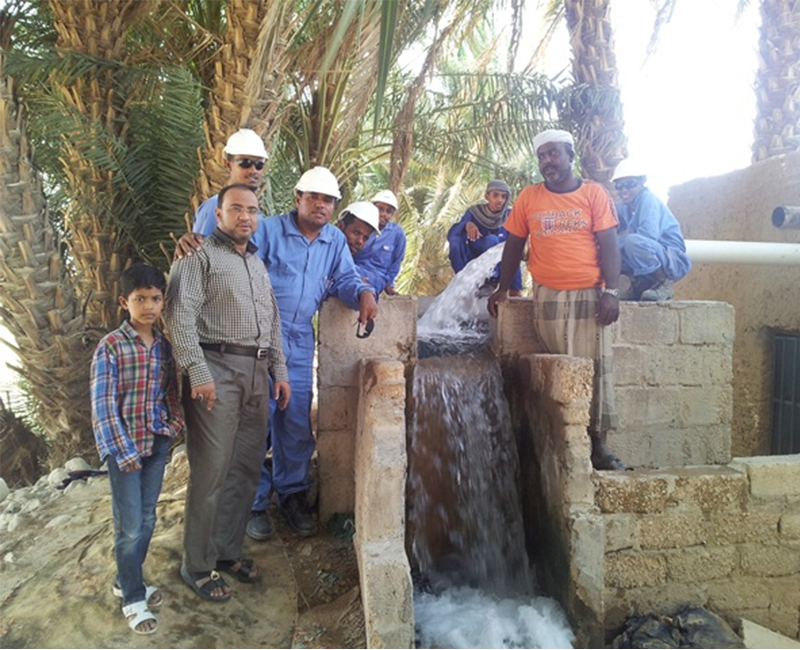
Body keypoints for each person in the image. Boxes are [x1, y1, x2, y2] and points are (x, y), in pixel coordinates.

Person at [177, 167, 378, 540]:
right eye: (314, 197)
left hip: (299, 339)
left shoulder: (334, 240)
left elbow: (346, 278)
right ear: (298, 198)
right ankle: (253, 503)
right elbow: (228, 252)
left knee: (295, 419)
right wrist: (194, 240)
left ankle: (292, 495)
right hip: (256, 337)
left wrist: (364, 294)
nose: (321, 205)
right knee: (257, 420)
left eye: (328, 200)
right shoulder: (267, 230)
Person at [165, 183, 291, 602]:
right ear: (217, 215)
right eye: (236, 209)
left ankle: (226, 552)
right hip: (215, 369)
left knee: (246, 467)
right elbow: (178, 315)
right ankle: (197, 565)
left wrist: (279, 371)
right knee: (212, 470)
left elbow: (272, 319)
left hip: (256, 373)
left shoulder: (256, 263)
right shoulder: (197, 255)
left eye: (252, 210)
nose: (245, 217)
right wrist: (198, 372)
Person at [487, 129, 626, 471]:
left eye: (553, 154)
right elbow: (514, 245)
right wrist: (503, 287)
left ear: (570, 156)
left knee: (595, 368)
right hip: (547, 294)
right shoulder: (529, 197)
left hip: (589, 295)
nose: (547, 161)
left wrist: (611, 292)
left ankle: (599, 445)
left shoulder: (593, 194)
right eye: (542, 156)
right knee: (558, 367)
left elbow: (610, 245)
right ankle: (564, 439)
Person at [90, 263, 184, 634]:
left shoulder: (164, 347)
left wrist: (173, 425)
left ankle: (125, 579)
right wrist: (122, 451)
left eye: (155, 298)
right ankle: (132, 597)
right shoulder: (111, 347)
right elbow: (102, 405)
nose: (148, 306)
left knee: (146, 519)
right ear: (123, 302)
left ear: (163, 302)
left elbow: (170, 392)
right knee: (129, 526)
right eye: (140, 299)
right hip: (124, 449)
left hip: (155, 444)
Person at [611, 160, 691, 301]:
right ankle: (640, 285)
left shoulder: (649, 200)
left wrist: (616, 244)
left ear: (642, 181)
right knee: (610, 248)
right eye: (619, 186)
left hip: (672, 258)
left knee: (631, 242)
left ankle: (663, 283)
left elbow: (647, 235)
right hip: (651, 251)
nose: (623, 190)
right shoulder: (624, 206)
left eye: (629, 184)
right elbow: (608, 226)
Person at [447, 180, 523, 295]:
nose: (500, 200)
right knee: (455, 242)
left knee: (502, 245)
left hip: (502, 262)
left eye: (503, 196)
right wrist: (466, 225)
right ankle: (461, 279)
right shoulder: (474, 212)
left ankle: (494, 282)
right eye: (495, 195)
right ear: (487, 196)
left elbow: (516, 243)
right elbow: (453, 234)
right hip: (475, 257)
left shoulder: (510, 214)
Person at [193, 128, 268, 233]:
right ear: (229, 165)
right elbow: (204, 243)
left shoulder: (255, 213)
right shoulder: (214, 207)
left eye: (259, 164)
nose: (253, 170)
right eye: (245, 163)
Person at [352, 189, 407, 296]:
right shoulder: (361, 227)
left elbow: (397, 261)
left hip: (377, 279)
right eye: (380, 209)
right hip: (353, 271)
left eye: (388, 211)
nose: (383, 214)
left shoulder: (397, 234)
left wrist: (389, 284)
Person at [337, 200, 382, 290]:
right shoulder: (321, 249)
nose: (360, 241)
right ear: (341, 227)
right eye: (356, 233)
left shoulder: (362, 255)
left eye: (365, 238)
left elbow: (377, 280)